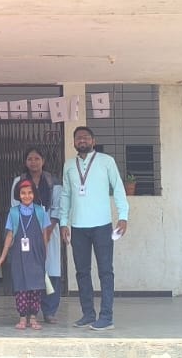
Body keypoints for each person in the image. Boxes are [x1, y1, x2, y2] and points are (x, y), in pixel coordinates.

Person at [56, 126, 131, 331]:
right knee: (82, 272)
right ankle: (88, 314)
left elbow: (118, 188)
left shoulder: (107, 161)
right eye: (78, 138)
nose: (82, 140)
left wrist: (123, 216)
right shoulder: (69, 165)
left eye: (86, 137)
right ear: (73, 142)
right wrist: (63, 222)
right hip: (78, 227)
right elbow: (66, 195)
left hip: (102, 226)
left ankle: (107, 317)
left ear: (93, 141)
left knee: (106, 272)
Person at [10, 148, 63, 324]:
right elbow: (14, 206)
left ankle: (50, 311)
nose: (33, 162)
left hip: (49, 228)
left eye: (37, 158)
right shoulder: (19, 181)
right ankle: (29, 311)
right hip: (25, 230)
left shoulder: (53, 181)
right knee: (28, 269)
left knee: (51, 268)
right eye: (30, 159)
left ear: (43, 160)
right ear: (25, 162)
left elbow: (57, 208)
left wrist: (47, 230)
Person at [0, 179, 52, 331]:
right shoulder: (13, 212)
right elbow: (9, 235)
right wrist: (2, 256)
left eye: (30, 193)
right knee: (20, 285)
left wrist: (45, 253)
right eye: (23, 193)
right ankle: (22, 317)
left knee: (36, 287)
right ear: (18, 194)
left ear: (34, 194)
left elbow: (45, 235)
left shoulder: (40, 211)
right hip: (19, 255)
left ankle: (33, 317)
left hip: (36, 254)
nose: (26, 196)